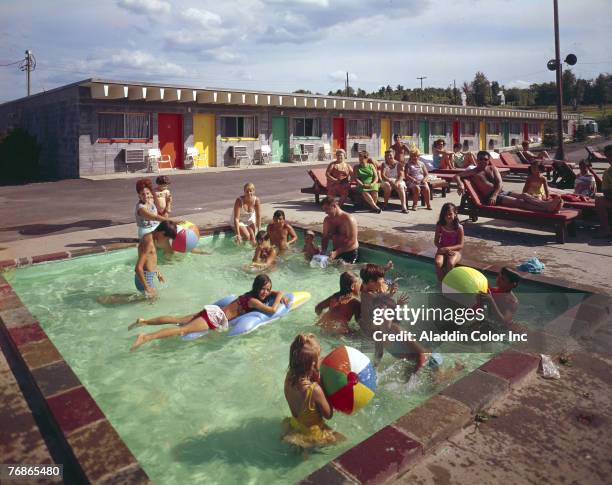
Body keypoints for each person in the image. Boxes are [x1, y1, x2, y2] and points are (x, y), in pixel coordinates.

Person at [129, 274, 288, 350]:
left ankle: (144, 321)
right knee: (182, 330)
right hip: (215, 318)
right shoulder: (254, 301)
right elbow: (272, 310)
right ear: (257, 287)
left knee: (179, 319)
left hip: (214, 311)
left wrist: (274, 292)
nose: (266, 292)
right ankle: (146, 337)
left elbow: (267, 294)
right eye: (263, 289)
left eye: (269, 290)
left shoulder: (248, 295)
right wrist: (279, 294)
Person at [358, 264, 427, 367]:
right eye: (381, 278)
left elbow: (423, 355)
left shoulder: (365, 288)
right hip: (392, 335)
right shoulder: (388, 331)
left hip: (423, 360)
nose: (383, 280)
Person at [281, 333, 343, 448]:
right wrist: (324, 387)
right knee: (344, 442)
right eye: (318, 357)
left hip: (294, 424)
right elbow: (329, 415)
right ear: (312, 365)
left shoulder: (289, 377)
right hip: (312, 433)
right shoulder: (315, 390)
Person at [454, 151, 563, 213]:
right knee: (519, 203)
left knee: (524, 195)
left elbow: (500, 184)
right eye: (481, 159)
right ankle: (546, 209)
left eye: (485, 159)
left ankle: (546, 205)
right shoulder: (473, 172)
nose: (483, 161)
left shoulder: (493, 168)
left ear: (488, 160)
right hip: (490, 198)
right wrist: (460, 185)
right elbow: (457, 175)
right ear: (477, 160)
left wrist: (496, 194)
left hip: (499, 193)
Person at [96, 222, 177, 305]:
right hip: (145, 278)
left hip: (146, 276)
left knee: (148, 300)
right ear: (162, 233)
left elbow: (149, 259)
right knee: (151, 300)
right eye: (167, 238)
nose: (166, 241)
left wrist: (157, 272)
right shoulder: (149, 243)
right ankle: (110, 299)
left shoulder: (149, 237)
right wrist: (147, 287)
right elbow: (138, 268)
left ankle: (110, 298)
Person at [320, 197, 359, 264]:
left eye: (327, 209)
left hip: (349, 252)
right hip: (336, 252)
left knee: (346, 272)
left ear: (334, 206)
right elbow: (325, 238)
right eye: (324, 210)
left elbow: (352, 240)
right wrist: (323, 252)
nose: (326, 212)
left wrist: (336, 252)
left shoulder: (348, 219)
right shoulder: (327, 220)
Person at [434, 203, 464, 282]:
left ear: (455, 214)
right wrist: (442, 249)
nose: (448, 217)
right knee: (437, 263)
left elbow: (460, 245)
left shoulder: (459, 228)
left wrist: (447, 249)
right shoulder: (440, 225)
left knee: (450, 263)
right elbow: (436, 241)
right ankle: (441, 283)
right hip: (442, 249)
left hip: (455, 251)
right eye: (446, 214)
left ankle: (450, 283)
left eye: (450, 214)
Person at [595, 145, 612, 238]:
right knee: (599, 199)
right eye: (609, 156)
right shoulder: (607, 173)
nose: (611, 158)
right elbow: (606, 191)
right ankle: (607, 230)